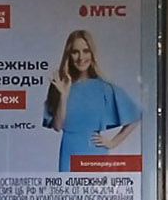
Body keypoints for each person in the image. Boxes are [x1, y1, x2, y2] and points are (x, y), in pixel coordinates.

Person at [42, 28, 139, 172]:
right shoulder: (60, 84)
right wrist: (64, 95)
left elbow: (135, 116)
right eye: (75, 52)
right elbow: (57, 126)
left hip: (95, 153)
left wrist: (113, 142)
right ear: (69, 55)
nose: (81, 57)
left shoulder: (104, 88)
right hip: (69, 152)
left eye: (86, 51)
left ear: (92, 53)